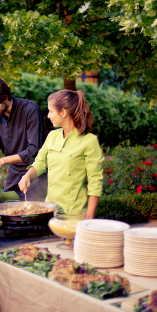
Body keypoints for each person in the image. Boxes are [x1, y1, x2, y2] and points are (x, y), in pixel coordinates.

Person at [18, 89, 103, 218]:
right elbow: (40, 163)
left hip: (74, 214)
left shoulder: (89, 141)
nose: (48, 116)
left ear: (63, 112)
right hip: (50, 210)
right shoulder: (52, 136)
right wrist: (27, 176)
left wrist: (88, 218)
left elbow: (95, 183)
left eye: (51, 111)